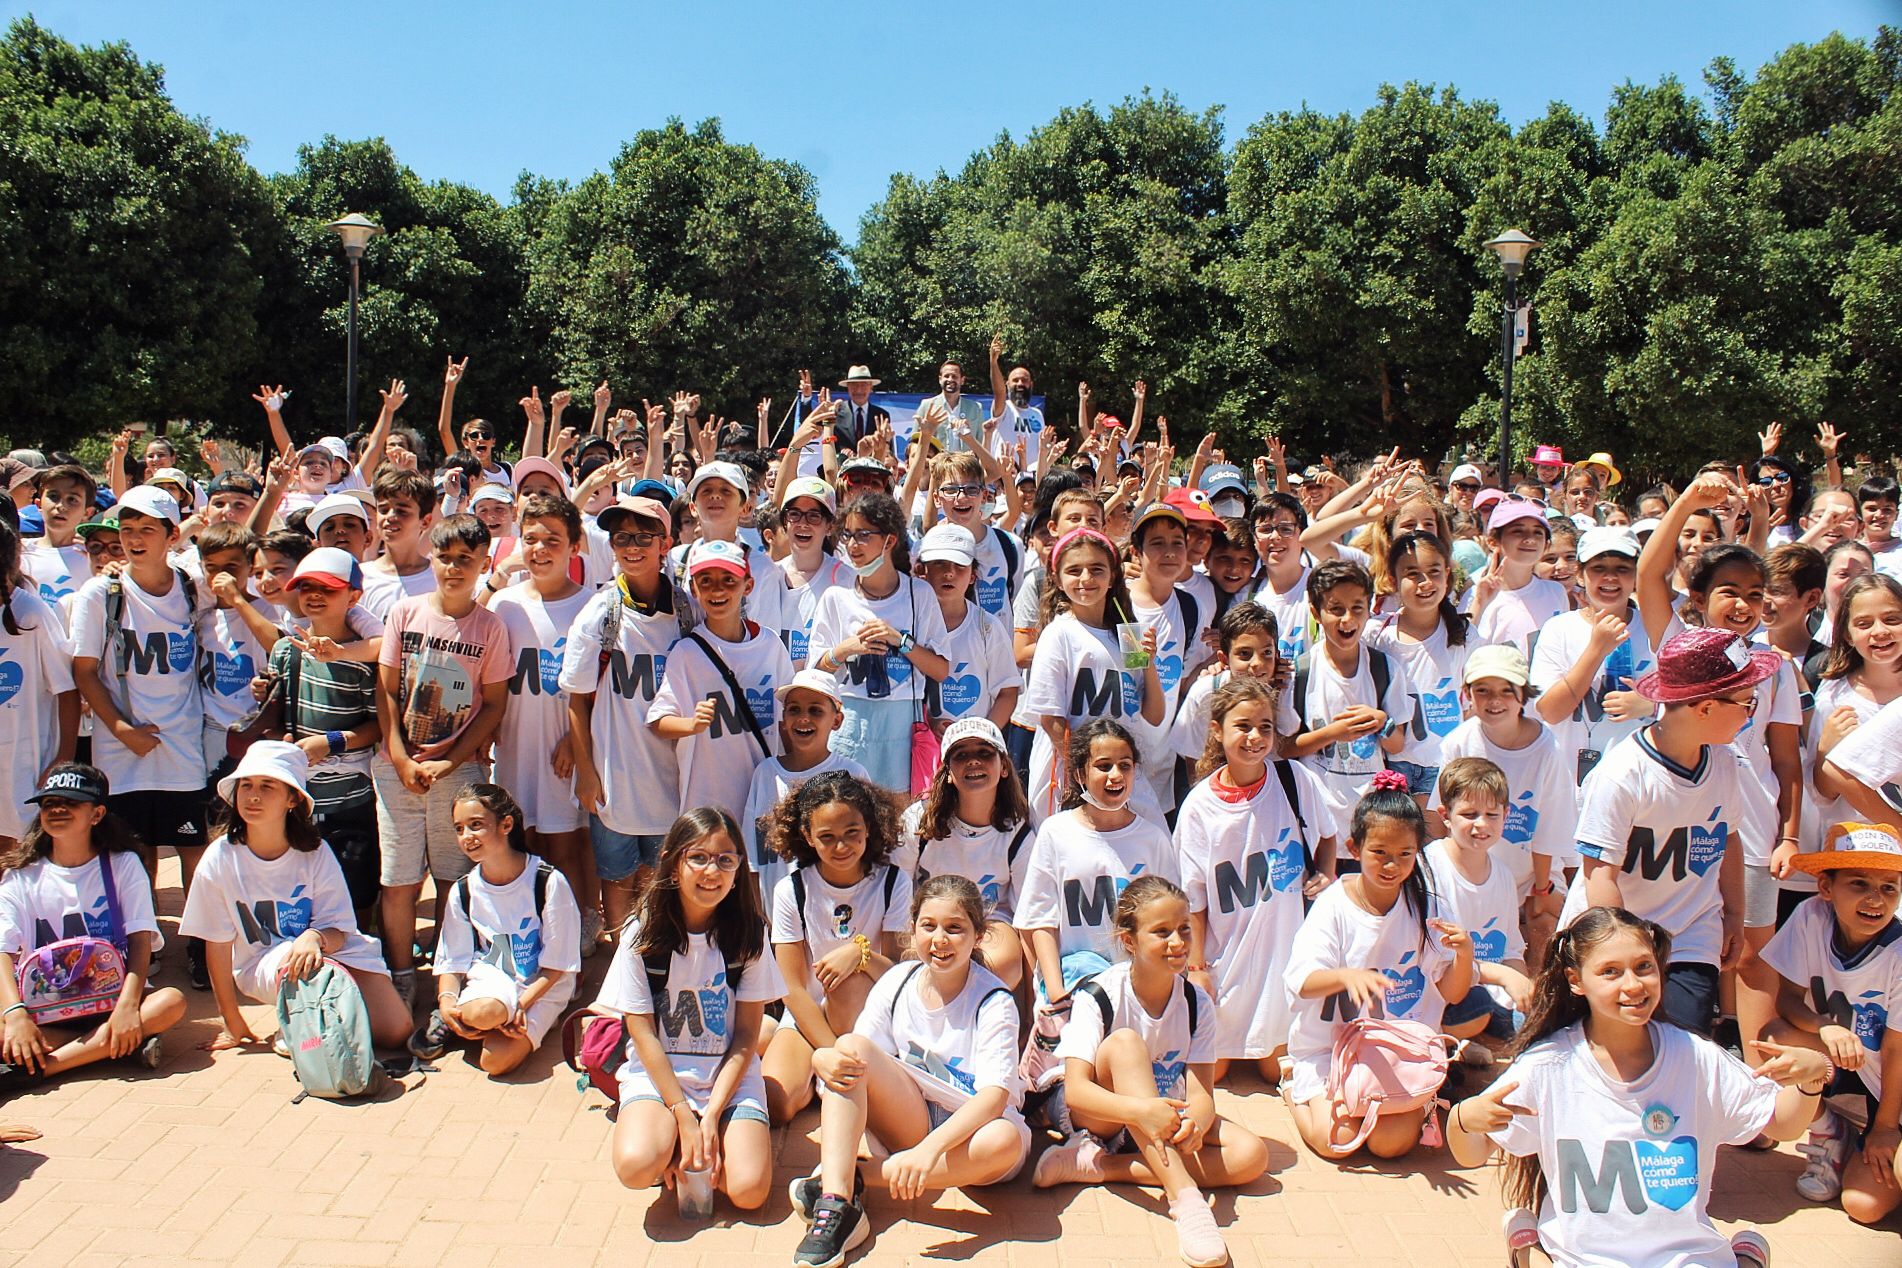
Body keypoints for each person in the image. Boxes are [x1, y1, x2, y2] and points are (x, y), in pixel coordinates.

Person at [1447, 906, 1829, 1268]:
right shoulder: (1549, 1065)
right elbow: (1470, 1153)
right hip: (1585, 1258)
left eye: (1644, 967)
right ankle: (1532, 1247)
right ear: (1576, 980)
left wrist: (1812, 1080)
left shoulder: (1695, 1057)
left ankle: (1740, 1258)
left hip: (1685, 1257)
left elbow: (1782, 1125)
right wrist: (1464, 1119)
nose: (1633, 985)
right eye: (1610, 972)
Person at [789, 875, 1031, 1268]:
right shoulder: (896, 982)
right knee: (847, 1048)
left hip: (973, 1131)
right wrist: (822, 1058)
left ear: (978, 935)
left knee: (1004, 1140)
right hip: (913, 1116)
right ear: (913, 927)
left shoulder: (994, 1001)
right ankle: (836, 1208)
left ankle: (854, 1176)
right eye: (929, 926)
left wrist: (928, 1151)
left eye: (955, 928)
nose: (940, 939)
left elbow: (993, 1098)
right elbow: (859, 1059)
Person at [1031, 876, 1269, 1268]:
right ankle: (1186, 1201)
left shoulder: (1196, 1003)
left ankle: (1100, 1167)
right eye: (1161, 932)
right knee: (1126, 1044)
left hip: (1161, 1119)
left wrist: (1196, 1122)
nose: (1177, 942)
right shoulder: (1100, 994)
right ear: (1129, 940)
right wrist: (1141, 1112)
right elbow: (1076, 1092)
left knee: (1251, 1156)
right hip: (1101, 1119)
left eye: (1183, 929)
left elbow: (1202, 1093)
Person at [1557, 627, 1776, 1036]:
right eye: (1747, 702)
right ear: (1706, 708)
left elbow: (1728, 838)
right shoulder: (1623, 773)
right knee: (1604, 1052)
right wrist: (1625, 954)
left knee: (1681, 1042)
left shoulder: (1727, 762)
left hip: (1692, 930)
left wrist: (1734, 914)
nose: (1751, 712)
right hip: (1615, 935)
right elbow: (1599, 874)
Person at [599, 807, 782, 1212]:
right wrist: (683, 1115)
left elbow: (747, 1036)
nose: (711, 871)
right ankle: (672, 1139)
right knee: (635, 1167)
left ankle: (724, 1135)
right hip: (660, 1078)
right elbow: (642, 1034)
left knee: (749, 1192)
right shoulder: (641, 934)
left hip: (726, 1080)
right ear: (672, 863)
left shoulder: (749, 935)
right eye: (697, 857)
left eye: (725, 859)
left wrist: (712, 1114)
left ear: (738, 870)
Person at [1284, 774, 1474, 1161]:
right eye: (1380, 852)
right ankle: (1292, 1089)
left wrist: (1465, 954)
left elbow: (1452, 993)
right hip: (1330, 1048)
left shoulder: (1428, 904)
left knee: (1391, 1145)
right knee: (1337, 1142)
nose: (1392, 864)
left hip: (1399, 1053)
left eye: (1405, 854)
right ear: (1354, 848)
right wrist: (1346, 976)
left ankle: (1420, 1102)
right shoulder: (1333, 904)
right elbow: (1302, 982)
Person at [179, 742, 410, 1053]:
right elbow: (216, 945)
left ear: (292, 799)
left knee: (396, 1030)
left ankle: (314, 1023)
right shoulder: (219, 857)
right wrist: (232, 1021)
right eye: (245, 785)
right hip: (263, 966)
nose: (253, 795)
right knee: (302, 965)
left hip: (326, 952)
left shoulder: (315, 852)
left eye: (267, 785)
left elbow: (340, 930)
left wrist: (314, 937)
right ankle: (305, 1025)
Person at [374, 514, 514, 1011]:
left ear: (483, 564)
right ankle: (400, 977)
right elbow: (387, 691)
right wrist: (398, 755)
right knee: (399, 880)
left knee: (454, 880)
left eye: (465, 560)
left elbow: (494, 704)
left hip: (458, 776)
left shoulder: (490, 627)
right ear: (430, 557)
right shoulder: (404, 613)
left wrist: (449, 762)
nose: (453, 568)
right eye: (445, 557)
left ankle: (445, 981)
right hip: (397, 773)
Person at [1177, 678, 1338, 1084]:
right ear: (1217, 730)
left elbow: (1328, 832)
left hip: (1285, 959)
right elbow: (1192, 899)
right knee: (1212, 1074)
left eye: (1265, 726)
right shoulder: (1199, 808)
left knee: (1277, 1070)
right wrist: (1197, 968)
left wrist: (1325, 872)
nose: (1255, 737)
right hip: (1227, 960)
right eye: (1243, 726)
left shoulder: (1294, 780)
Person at [0, 765, 183, 1084]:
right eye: (47, 803)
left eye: (70, 802)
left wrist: (127, 1006)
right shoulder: (21, 875)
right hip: (44, 1008)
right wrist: (15, 1014)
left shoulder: (122, 865)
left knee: (170, 1003)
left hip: (110, 1001)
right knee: (8, 1030)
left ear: (97, 814)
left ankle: (41, 1069)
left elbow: (141, 940)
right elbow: (1, 950)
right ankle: (119, 1045)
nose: (56, 809)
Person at [562, 495, 695, 935]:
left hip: (672, 775)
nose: (632, 547)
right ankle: (621, 957)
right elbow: (577, 699)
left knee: (660, 876)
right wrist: (585, 771)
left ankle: (653, 954)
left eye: (644, 536)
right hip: (614, 775)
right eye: (622, 537)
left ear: (666, 544)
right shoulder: (600, 614)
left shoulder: (688, 611)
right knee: (616, 877)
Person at [1758, 821, 1902, 1222]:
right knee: (1776, 1037)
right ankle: (1829, 1129)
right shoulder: (1810, 916)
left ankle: (1876, 1134)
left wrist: (1887, 1127)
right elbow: (1787, 999)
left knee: (1864, 1205)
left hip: (1894, 1080)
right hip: (1857, 1063)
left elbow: (1896, 1047)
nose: (1876, 898)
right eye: (1859, 883)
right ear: (1826, 888)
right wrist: (1825, 1025)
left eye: (1889, 886)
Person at [763, 771, 911, 1126]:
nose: (841, 847)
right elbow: (793, 988)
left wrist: (860, 954)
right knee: (776, 1105)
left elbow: (897, 974)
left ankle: (834, 1078)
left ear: (869, 828)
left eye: (851, 834)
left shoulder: (893, 883)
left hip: (865, 1014)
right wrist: (828, 1051)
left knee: (847, 981)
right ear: (807, 837)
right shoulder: (792, 890)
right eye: (827, 837)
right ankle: (812, 1068)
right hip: (808, 1017)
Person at [411, 784, 581, 1076]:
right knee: (483, 1013)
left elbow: (557, 966)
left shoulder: (548, 882)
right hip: (492, 983)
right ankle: (473, 1019)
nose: (467, 837)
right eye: (460, 828)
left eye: (476, 825)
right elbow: (453, 961)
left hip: (541, 986)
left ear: (506, 825)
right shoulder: (464, 889)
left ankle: (506, 1020)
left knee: (494, 1062)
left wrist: (521, 1006)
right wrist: (448, 1003)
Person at [486, 493, 594, 948]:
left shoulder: (592, 604)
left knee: (566, 840)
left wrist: (575, 740)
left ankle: (577, 925)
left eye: (553, 539)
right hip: (515, 745)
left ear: (574, 545)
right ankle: (530, 923)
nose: (540, 549)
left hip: (564, 746)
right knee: (522, 835)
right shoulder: (504, 605)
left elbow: (598, 689)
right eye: (530, 539)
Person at [1017, 719, 1180, 1017]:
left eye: (1125, 765)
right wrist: (1056, 994)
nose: (1115, 775)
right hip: (1072, 996)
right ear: (1080, 773)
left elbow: (1171, 923)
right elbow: (1038, 921)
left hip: (1136, 998)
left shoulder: (1154, 839)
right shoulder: (1055, 833)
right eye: (1103, 766)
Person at [1431, 645, 1576, 961]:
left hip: (1533, 870)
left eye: (1506, 691)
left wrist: (1540, 889)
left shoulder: (1547, 747)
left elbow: (1550, 826)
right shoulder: (1458, 743)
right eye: (1482, 691)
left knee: (1544, 927)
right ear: (1467, 694)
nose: (1494, 701)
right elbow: (1445, 820)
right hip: (1475, 866)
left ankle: (1538, 1001)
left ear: (1523, 695)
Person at [265, 547, 383, 921]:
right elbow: (277, 714)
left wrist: (329, 743)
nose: (314, 595)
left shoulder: (365, 661)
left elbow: (380, 725)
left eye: (327, 589)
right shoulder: (285, 650)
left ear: (354, 597)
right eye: (306, 587)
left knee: (357, 895)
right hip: (297, 798)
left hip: (350, 797)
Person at [807, 492, 949, 794]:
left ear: (889, 541)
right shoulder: (835, 597)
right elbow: (815, 674)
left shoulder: (919, 594)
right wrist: (844, 650)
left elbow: (940, 670)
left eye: (863, 535)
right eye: (848, 535)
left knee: (898, 821)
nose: (853, 545)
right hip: (850, 723)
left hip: (902, 727)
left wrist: (900, 640)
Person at [1021, 528, 1165, 823]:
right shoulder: (1058, 633)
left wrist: (1149, 663)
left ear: (1112, 577)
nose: (1086, 579)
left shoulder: (1128, 633)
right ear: (1058, 580)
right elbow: (1051, 720)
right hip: (1073, 776)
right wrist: (1083, 776)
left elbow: (1153, 715)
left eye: (1096, 569)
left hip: (1121, 774)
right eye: (1074, 571)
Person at [648, 538, 794, 821]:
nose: (717, 589)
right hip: (707, 801)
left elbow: (787, 715)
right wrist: (691, 724)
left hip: (763, 795)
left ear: (747, 586)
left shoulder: (771, 645)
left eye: (729, 580)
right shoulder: (687, 652)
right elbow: (658, 721)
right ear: (693, 589)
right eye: (706, 580)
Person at [898, 717, 1033, 990]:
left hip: (989, 924)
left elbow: (1028, 918)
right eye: (961, 755)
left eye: (985, 753)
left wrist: (1033, 1009)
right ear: (947, 771)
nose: (974, 761)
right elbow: (895, 893)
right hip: (930, 923)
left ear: (1004, 767)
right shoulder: (917, 822)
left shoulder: (1019, 834)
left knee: (1004, 959)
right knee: (912, 955)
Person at [1530, 526, 1656, 793]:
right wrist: (1597, 649)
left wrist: (1651, 705)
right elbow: (1549, 711)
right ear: (1581, 573)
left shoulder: (1656, 630)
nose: (1610, 577)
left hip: (1641, 784)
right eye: (1598, 568)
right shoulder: (1558, 630)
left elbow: (1687, 703)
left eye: (1622, 568)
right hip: (1571, 787)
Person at [1426, 758, 1533, 1065]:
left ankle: (1464, 1042)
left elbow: (1511, 950)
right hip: (1444, 997)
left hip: (1491, 994)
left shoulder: (1503, 875)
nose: (1481, 824)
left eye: (1492, 814)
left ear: (1506, 815)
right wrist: (1503, 976)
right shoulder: (1429, 869)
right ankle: (1447, 1043)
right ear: (1445, 815)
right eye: (1469, 815)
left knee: (1546, 1024)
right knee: (1475, 1005)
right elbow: (1437, 968)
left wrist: (1523, 995)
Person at [1284, 560, 1413, 807]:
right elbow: (1286, 747)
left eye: (1357, 608)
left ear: (1369, 610)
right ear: (1316, 613)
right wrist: (1333, 733)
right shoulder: (1299, 673)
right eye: (1336, 609)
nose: (1348, 619)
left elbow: (1397, 745)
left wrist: (1381, 722)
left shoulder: (1385, 669)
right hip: (1317, 808)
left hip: (1370, 811)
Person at [739, 668, 869, 906]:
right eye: (794, 709)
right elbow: (752, 854)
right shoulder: (766, 773)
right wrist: (757, 909)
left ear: (837, 720)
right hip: (775, 915)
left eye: (815, 710)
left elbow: (868, 848)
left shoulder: (853, 774)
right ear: (784, 719)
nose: (803, 718)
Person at [1368, 531, 1471, 804]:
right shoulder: (1376, 633)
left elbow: (1472, 708)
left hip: (1445, 766)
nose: (1425, 583)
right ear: (1393, 580)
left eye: (1434, 572)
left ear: (1447, 575)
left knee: (1436, 845)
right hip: (1390, 763)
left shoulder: (1465, 634)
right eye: (1412, 574)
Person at [0, 519, 77, 849]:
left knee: (20, 853)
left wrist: (62, 760)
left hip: (25, 765)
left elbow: (68, 691)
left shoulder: (30, 614)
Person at [916, 523, 1017, 734]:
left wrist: (982, 735)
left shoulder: (988, 627)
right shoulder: (910, 623)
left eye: (960, 566)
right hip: (920, 750)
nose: (950, 573)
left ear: (973, 576)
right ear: (921, 571)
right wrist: (928, 723)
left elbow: (1007, 691)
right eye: (940, 564)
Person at [1471, 500, 1569, 659]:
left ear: (1546, 544)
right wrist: (1479, 604)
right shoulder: (1476, 596)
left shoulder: (1556, 591)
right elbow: (1459, 654)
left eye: (1538, 532)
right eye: (1518, 531)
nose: (1530, 539)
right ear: (1492, 541)